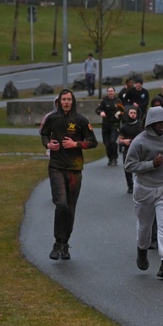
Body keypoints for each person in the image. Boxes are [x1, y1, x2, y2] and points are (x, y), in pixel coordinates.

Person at [125, 106, 163, 280]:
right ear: (150, 123)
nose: (161, 125)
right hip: (144, 188)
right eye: (157, 122)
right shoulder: (139, 141)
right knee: (145, 225)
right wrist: (151, 164)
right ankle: (142, 249)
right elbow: (129, 166)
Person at [39, 89, 99, 260]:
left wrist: (76, 144)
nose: (66, 102)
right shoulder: (52, 118)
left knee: (70, 209)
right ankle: (57, 242)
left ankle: (65, 244)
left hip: (74, 169)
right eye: (63, 99)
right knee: (62, 204)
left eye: (68, 99)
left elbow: (93, 142)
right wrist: (48, 145)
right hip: (56, 167)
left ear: (72, 101)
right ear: (58, 102)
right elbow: (44, 135)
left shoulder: (80, 120)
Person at [117, 105, 145, 193]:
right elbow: (120, 140)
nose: (133, 115)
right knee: (127, 167)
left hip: (139, 150)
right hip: (127, 149)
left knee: (140, 168)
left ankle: (139, 184)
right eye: (131, 113)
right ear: (128, 114)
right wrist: (124, 141)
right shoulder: (124, 127)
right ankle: (130, 185)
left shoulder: (140, 125)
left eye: (134, 113)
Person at [95, 86, 122, 166]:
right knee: (107, 143)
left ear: (114, 92)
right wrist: (101, 112)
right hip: (106, 125)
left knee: (112, 141)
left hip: (114, 124)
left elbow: (123, 110)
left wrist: (119, 113)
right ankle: (110, 158)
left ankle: (114, 158)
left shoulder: (117, 101)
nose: (110, 92)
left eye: (112, 91)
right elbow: (97, 110)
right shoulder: (104, 101)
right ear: (107, 92)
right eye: (109, 91)